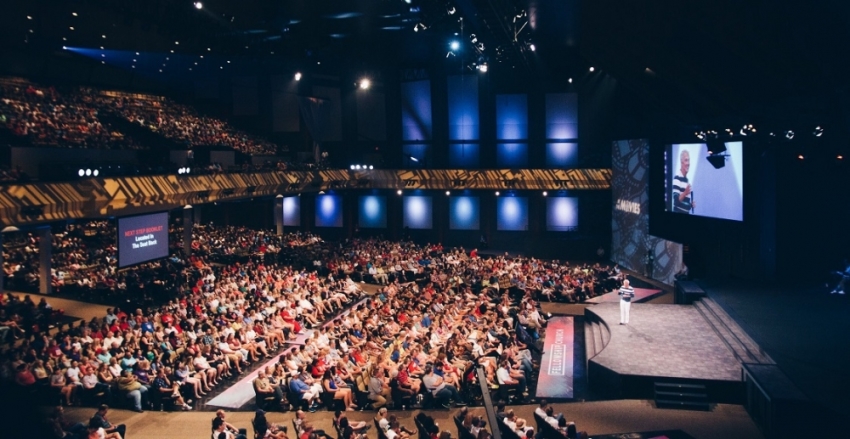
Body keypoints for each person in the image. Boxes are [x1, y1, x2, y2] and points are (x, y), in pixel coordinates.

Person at [672, 149, 694, 213]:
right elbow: (676, 201)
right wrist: (685, 193)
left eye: (689, 160)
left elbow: (684, 204)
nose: (688, 163)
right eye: (686, 160)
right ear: (681, 162)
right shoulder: (677, 178)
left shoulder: (687, 180)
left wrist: (690, 205)